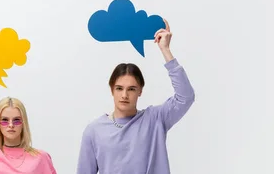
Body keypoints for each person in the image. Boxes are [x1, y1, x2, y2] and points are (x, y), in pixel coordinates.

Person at [76, 19, 195, 174]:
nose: (124, 95)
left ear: (140, 91)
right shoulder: (94, 130)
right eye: (119, 88)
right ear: (112, 90)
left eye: (131, 89)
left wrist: (165, 50)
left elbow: (186, 97)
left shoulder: (155, 119)